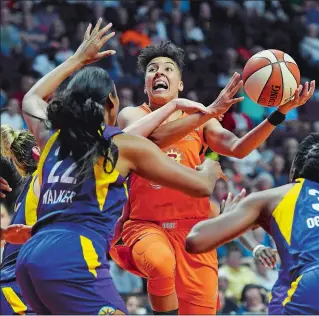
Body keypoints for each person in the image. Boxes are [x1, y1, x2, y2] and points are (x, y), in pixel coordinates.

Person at [15, 19, 224, 315]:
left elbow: (31, 98)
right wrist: (211, 167)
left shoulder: (51, 137)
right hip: (74, 256)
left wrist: (76, 60)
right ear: (112, 103)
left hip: (31, 256)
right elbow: (201, 186)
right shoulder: (119, 145)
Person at [110, 40, 315, 314]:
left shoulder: (203, 120)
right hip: (148, 226)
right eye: (152, 69)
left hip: (194, 233)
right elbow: (152, 139)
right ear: (146, 83)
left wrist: (279, 114)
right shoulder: (132, 115)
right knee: (159, 264)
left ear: (180, 84)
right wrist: (208, 112)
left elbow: (238, 148)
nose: (159, 72)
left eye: (168, 68)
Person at [186, 133, 319, 315]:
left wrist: (225, 217)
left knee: (282, 290)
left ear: (294, 169)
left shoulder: (276, 196)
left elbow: (196, 240)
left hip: (314, 282)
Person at [0, 125, 39, 315]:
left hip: (22, 283)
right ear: (37, 152)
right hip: (17, 287)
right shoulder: (42, 179)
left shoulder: (29, 188)